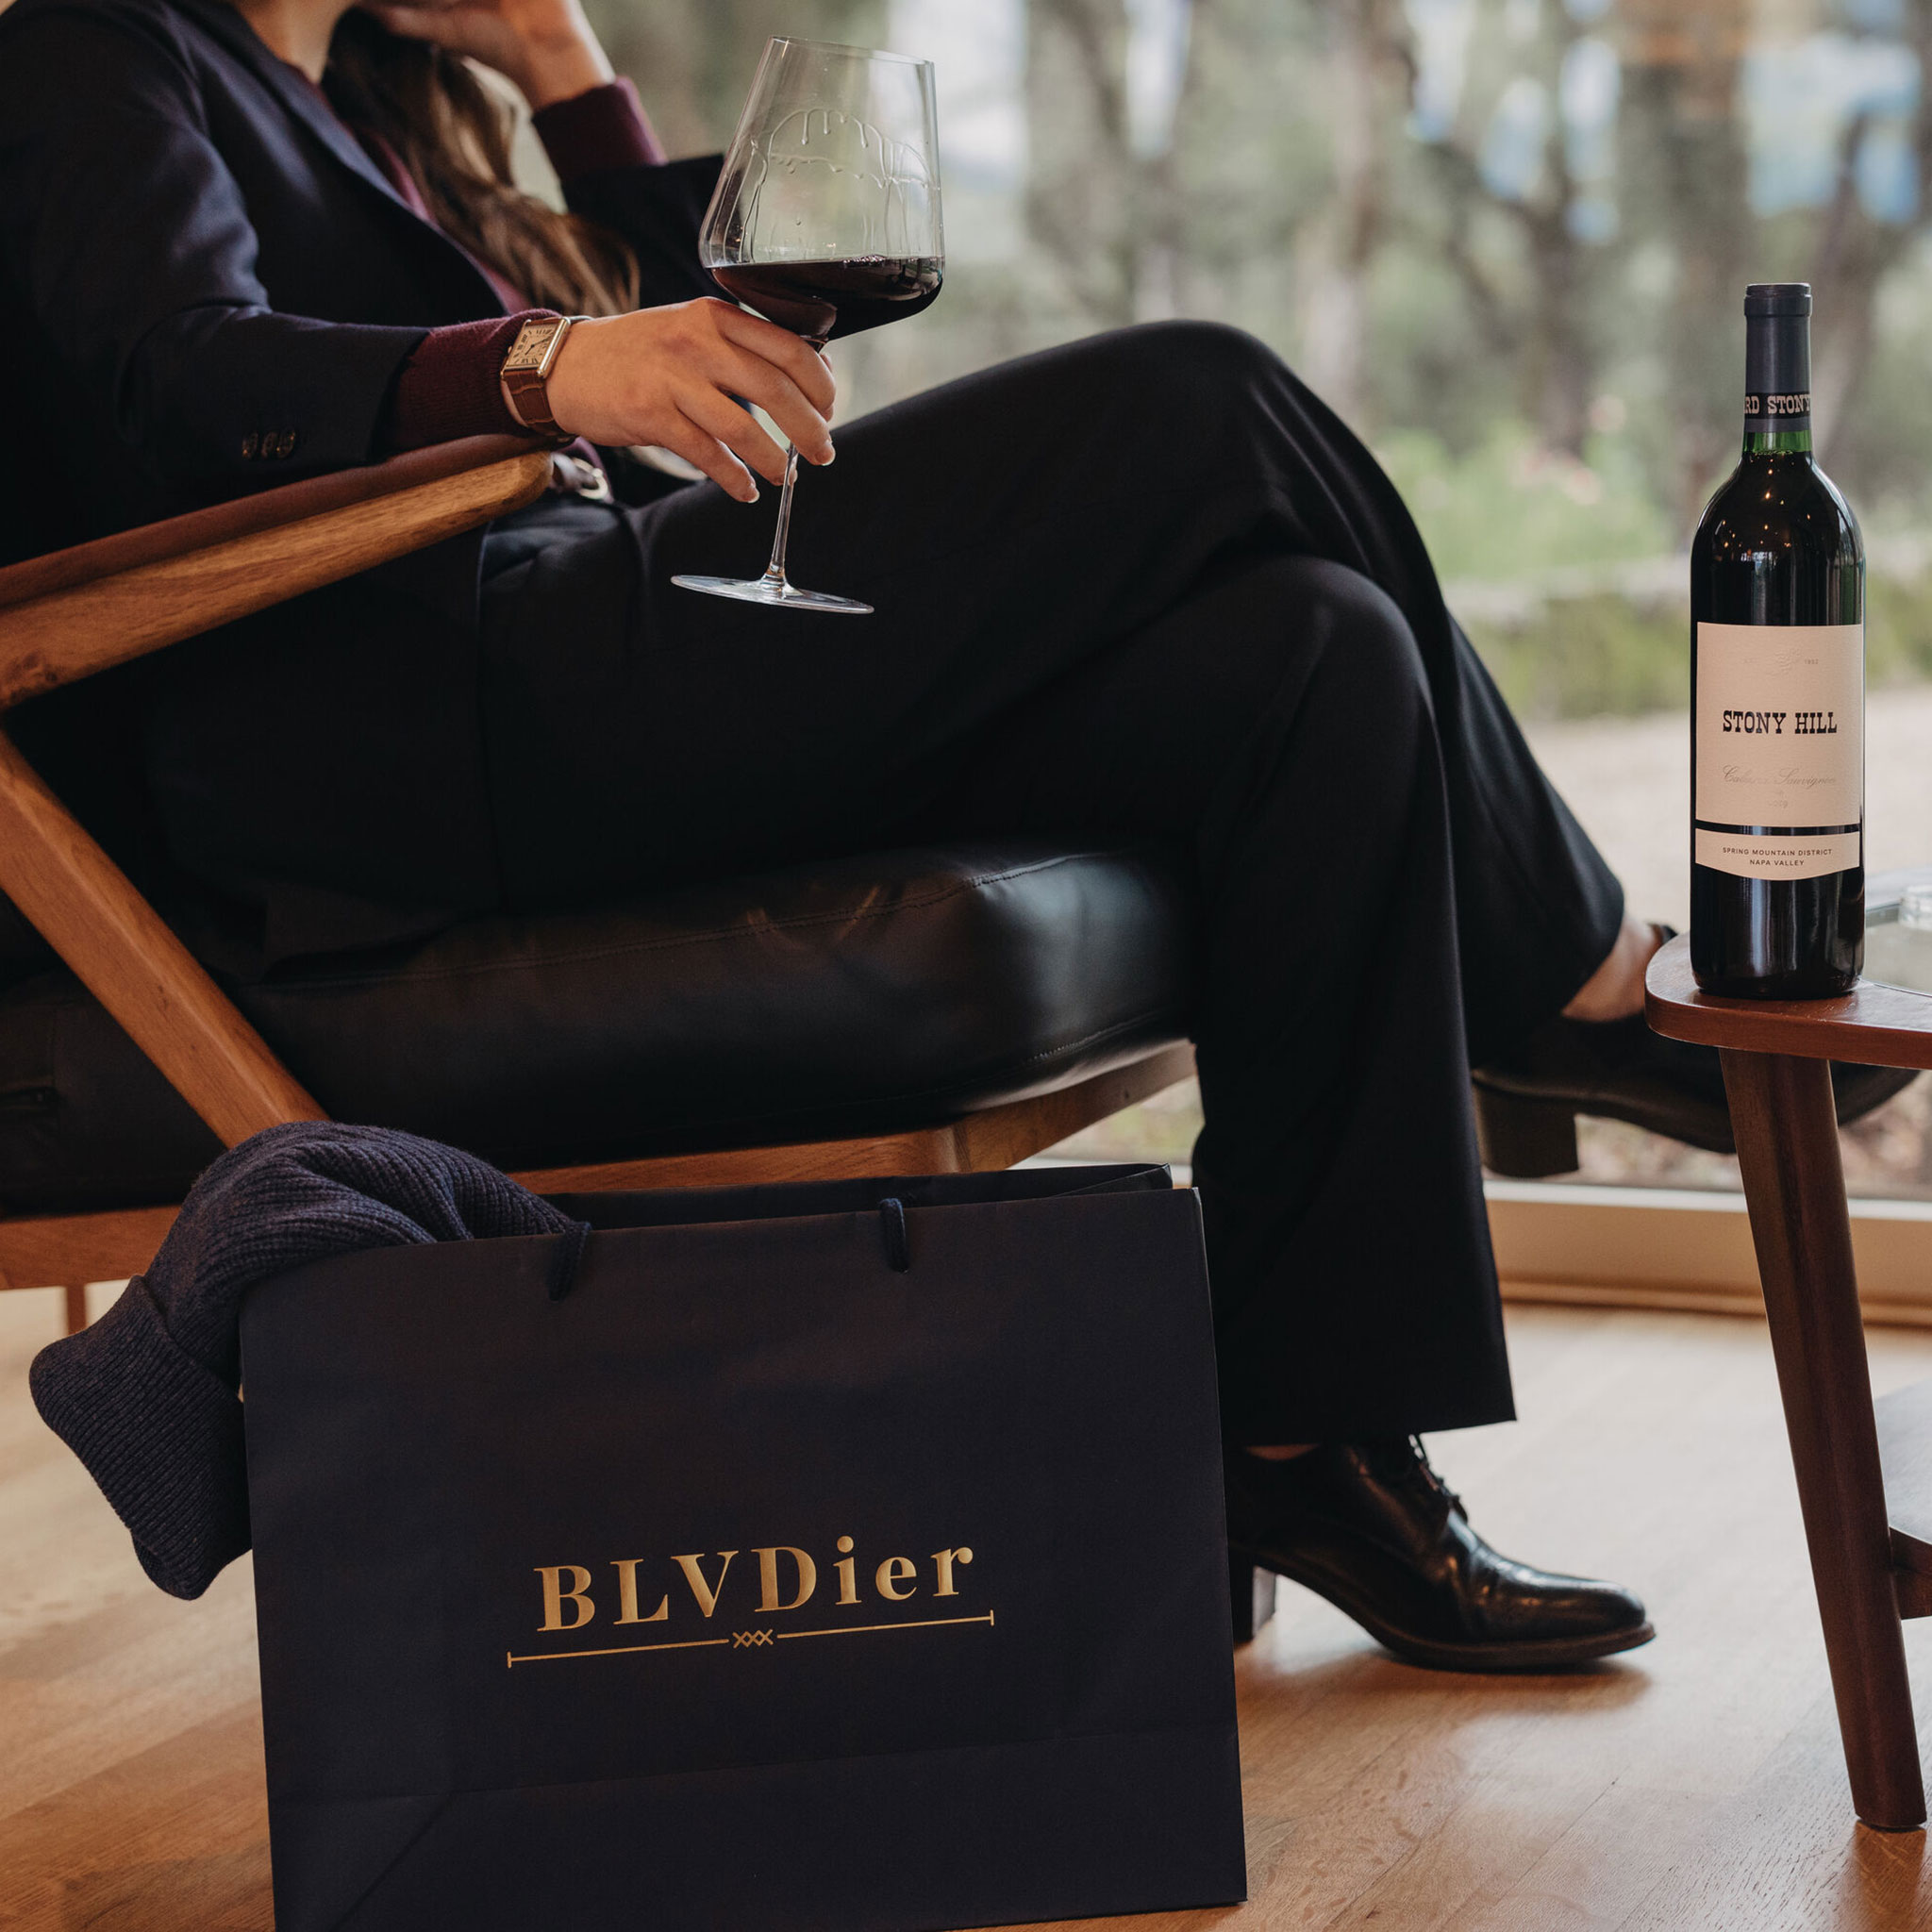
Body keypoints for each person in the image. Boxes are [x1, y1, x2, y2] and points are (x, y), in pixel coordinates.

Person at [0, 0, 1907, 1674]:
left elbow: (709, 374)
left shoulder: (366, 101)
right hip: (437, 736)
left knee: (1303, 659)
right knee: (1204, 396)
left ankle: (1307, 1450)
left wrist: (563, 68)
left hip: (588, 652)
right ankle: (1576, 987)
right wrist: (540, 366)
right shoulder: (91, 51)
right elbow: (178, 372)